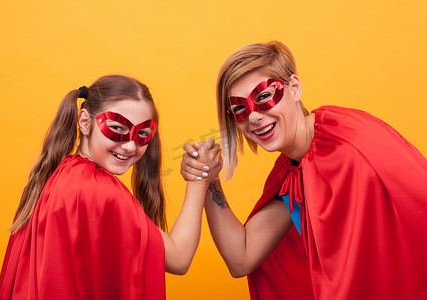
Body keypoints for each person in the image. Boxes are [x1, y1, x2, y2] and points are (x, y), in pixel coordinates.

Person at [181, 41, 427, 299]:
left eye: (264, 96)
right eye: (239, 109)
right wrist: (208, 178)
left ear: (294, 88)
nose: (253, 117)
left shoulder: (347, 147)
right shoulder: (295, 170)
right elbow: (242, 255)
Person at [0, 74, 222, 300]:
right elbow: (179, 259)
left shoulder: (52, 175)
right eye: (117, 128)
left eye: (142, 133)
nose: (131, 145)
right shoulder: (103, 192)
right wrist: (199, 179)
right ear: (84, 121)